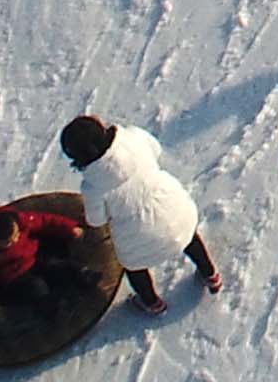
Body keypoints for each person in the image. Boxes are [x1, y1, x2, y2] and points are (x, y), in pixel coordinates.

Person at [64, 115, 233, 309]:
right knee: (187, 236)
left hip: (139, 241)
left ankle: (152, 303)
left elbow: (96, 220)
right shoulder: (133, 137)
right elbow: (156, 149)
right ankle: (210, 274)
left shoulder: (92, 186)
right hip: (175, 209)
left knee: (134, 267)